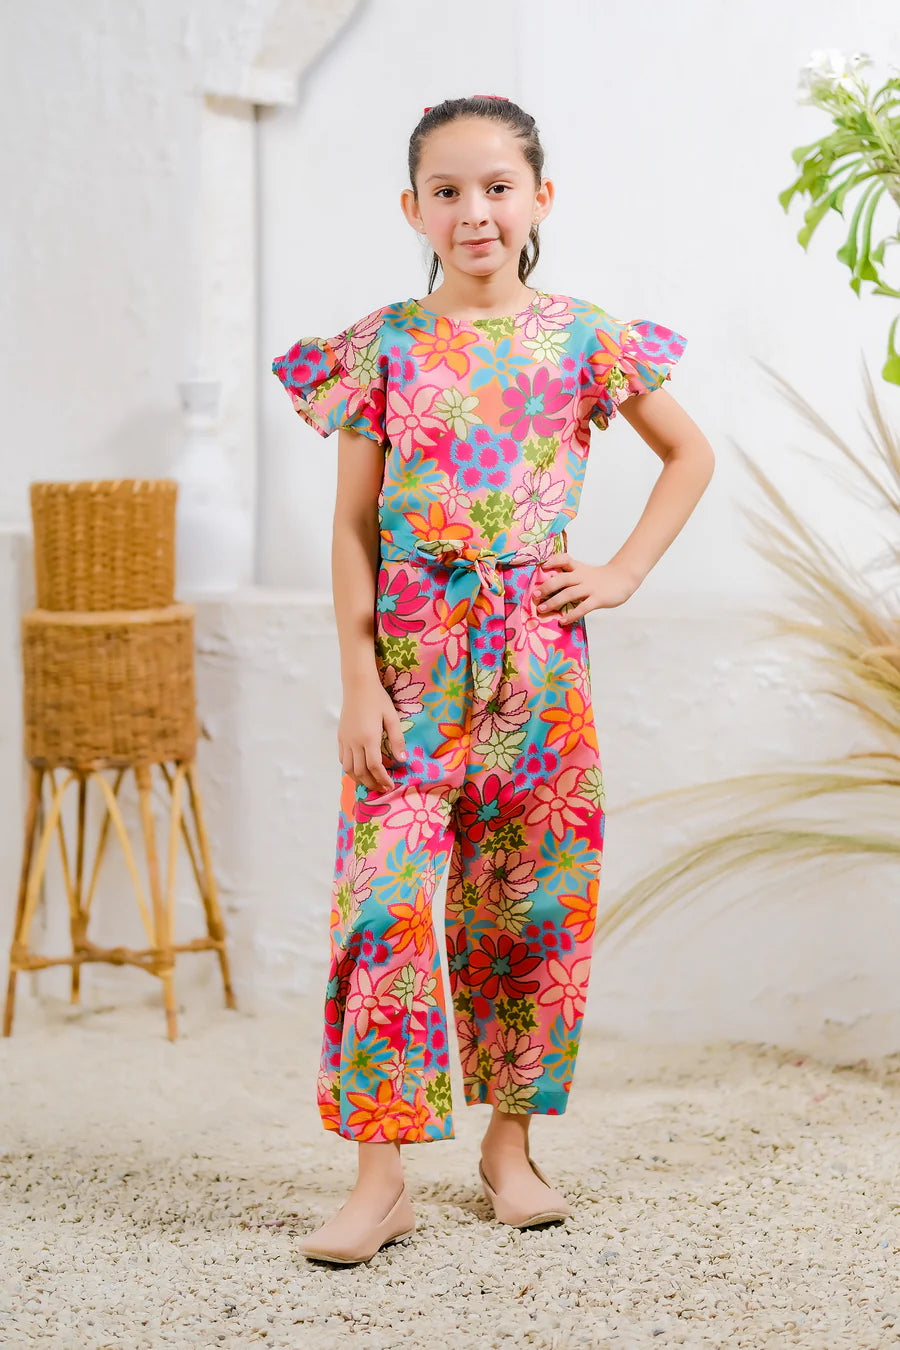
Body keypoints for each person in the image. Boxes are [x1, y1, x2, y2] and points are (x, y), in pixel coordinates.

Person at [272, 93, 715, 1265]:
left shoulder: (583, 338)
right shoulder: (382, 345)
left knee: (528, 899)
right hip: (411, 656)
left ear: (540, 199)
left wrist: (620, 570)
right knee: (381, 907)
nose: (476, 211)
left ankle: (510, 1150)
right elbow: (352, 525)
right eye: (449, 190)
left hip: (538, 652)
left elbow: (690, 453)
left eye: (498, 187)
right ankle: (380, 1181)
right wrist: (357, 677)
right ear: (413, 208)